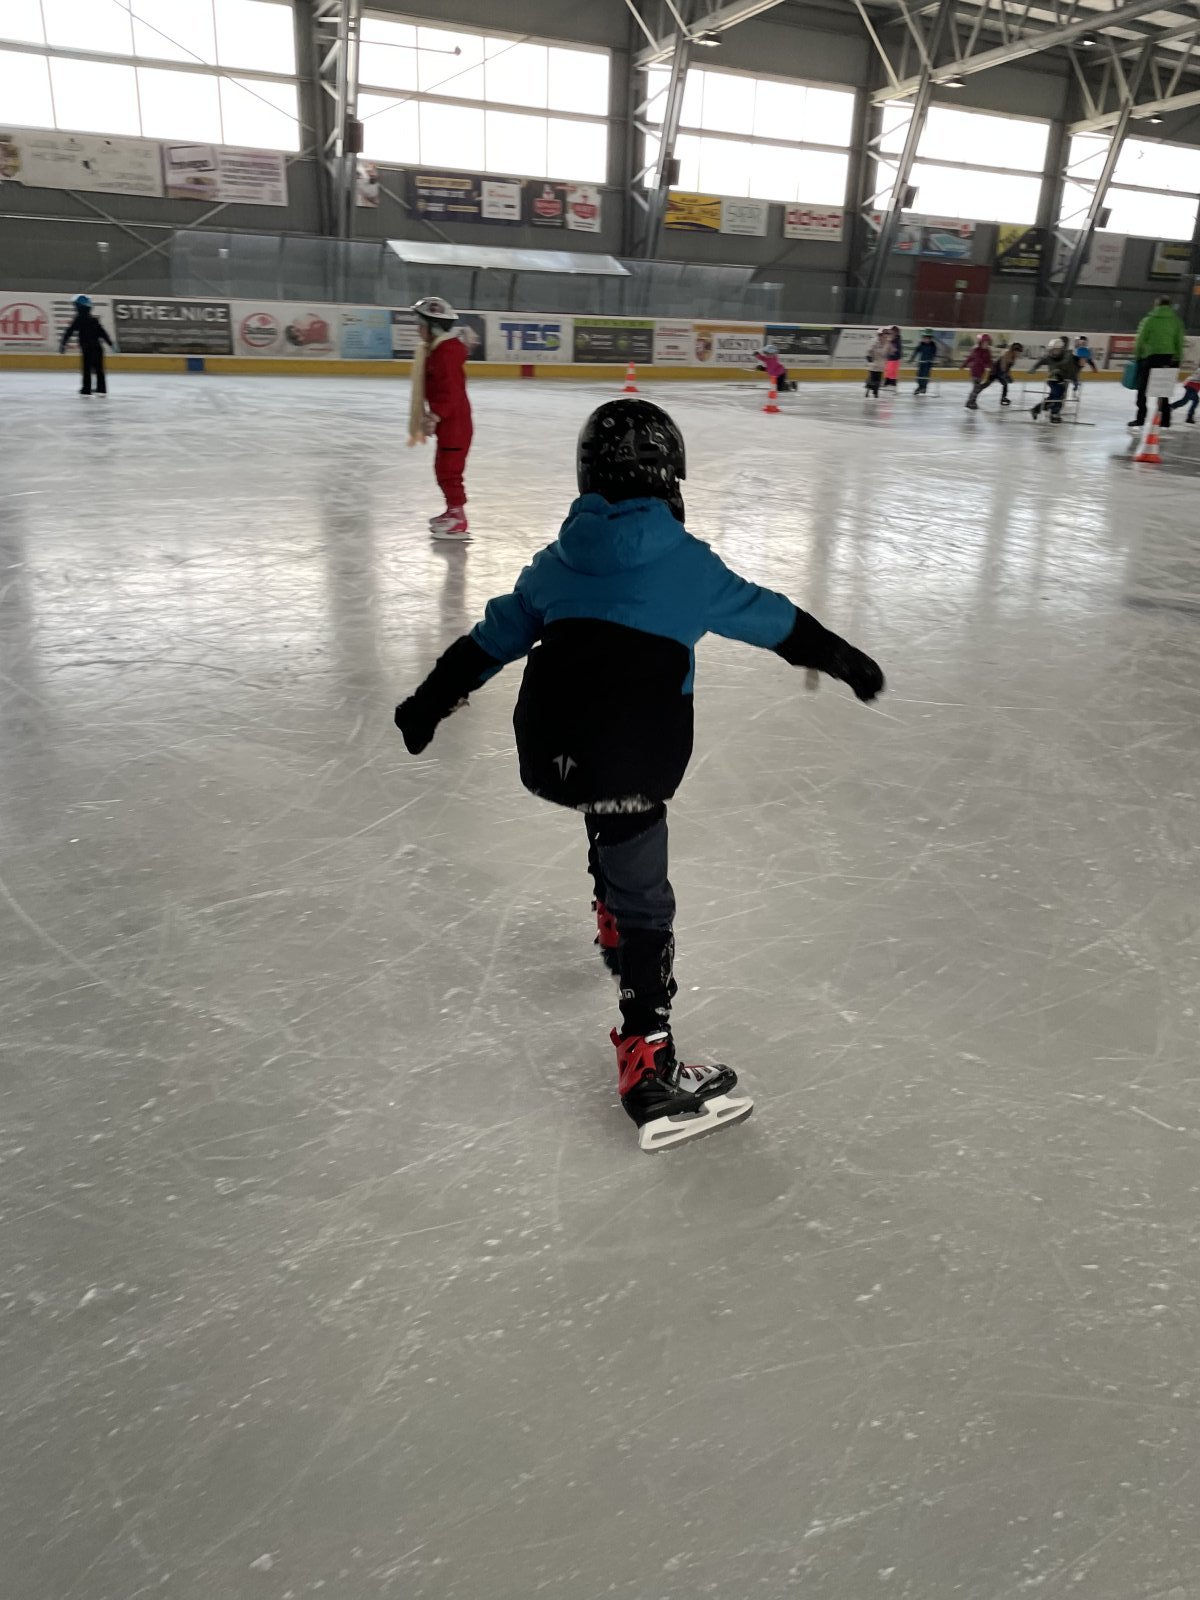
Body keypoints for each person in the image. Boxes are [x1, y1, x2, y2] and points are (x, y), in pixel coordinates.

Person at [393, 399, 884, 1152]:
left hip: (550, 751)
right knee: (646, 891)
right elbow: (775, 621)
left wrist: (426, 705)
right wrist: (846, 662)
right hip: (631, 755)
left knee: (608, 815)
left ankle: (611, 923)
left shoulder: (555, 563)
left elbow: (487, 642)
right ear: (670, 478)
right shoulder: (688, 564)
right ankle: (648, 1063)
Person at [407, 295, 473, 541]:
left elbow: (451, 392)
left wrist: (435, 415)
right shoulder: (438, 351)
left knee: (449, 471)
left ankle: (458, 517)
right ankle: (452, 510)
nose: (418, 329)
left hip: (454, 425)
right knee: (444, 468)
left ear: (434, 327)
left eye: (421, 324)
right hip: (451, 424)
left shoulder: (445, 354)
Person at [1131, 296, 1185, 431]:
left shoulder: (1149, 320)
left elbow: (1140, 339)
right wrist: (1178, 358)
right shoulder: (1176, 321)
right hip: (1169, 358)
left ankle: (1140, 419)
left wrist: (1138, 355)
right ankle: (1165, 421)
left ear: (1156, 305)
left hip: (1151, 357)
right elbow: (1179, 342)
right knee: (1163, 390)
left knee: (1143, 390)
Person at [59, 294, 113, 396]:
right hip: (98, 348)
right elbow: (103, 333)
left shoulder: (79, 319)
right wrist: (111, 344)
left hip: (87, 348)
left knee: (87, 369)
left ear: (79, 307)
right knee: (99, 369)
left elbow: (69, 332)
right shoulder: (94, 320)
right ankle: (101, 388)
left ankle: (86, 389)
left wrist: (63, 344)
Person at [1029, 338, 1079, 423]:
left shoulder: (1067, 358)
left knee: (1054, 397)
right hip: (1053, 380)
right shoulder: (1049, 357)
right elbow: (1041, 361)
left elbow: (1072, 370)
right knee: (1058, 396)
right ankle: (1054, 413)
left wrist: (1075, 381)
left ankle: (1036, 409)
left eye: (1056, 350)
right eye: (1052, 350)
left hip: (1063, 380)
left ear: (1061, 350)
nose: (1054, 353)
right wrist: (1034, 368)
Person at [976, 341, 1024, 407]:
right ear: (1014, 350)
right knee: (987, 384)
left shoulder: (1014, 357)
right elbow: (1003, 365)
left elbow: (1008, 367)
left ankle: (1003, 398)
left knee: (1005, 384)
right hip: (995, 371)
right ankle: (976, 391)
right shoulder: (1006, 353)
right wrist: (1004, 374)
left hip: (1001, 371)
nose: (1018, 353)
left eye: (1019, 352)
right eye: (1017, 351)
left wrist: (1008, 375)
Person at [962, 334, 994, 410]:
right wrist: (964, 364)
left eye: (987, 342)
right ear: (981, 342)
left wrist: (992, 367)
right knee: (976, 388)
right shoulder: (976, 349)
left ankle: (972, 401)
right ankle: (969, 402)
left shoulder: (988, 351)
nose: (986, 343)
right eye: (984, 342)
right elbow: (970, 358)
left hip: (981, 372)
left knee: (976, 388)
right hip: (974, 370)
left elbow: (989, 361)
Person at [911, 330, 938, 396]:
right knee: (919, 375)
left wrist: (930, 360)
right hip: (921, 362)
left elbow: (933, 354)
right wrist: (912, 358)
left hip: (928, 363)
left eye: (927, 338)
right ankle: (920, 387)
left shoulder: (933, 346)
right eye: (924, 338)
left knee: (925, 375)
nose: (925, 340)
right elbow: (916, 351)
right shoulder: (921, 344)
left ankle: (924, 387)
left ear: (930, 339)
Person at [864, 329, 888, 398]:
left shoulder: (886, 342)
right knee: (872, 378)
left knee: (878, 379)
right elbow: (869, 350)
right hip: (874, 363)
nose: (884, 336)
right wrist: (869, 357)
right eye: (882, 335)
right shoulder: (874, 342)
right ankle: (868, 391)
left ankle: (875, 392)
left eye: (885, 335)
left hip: (881, 364)